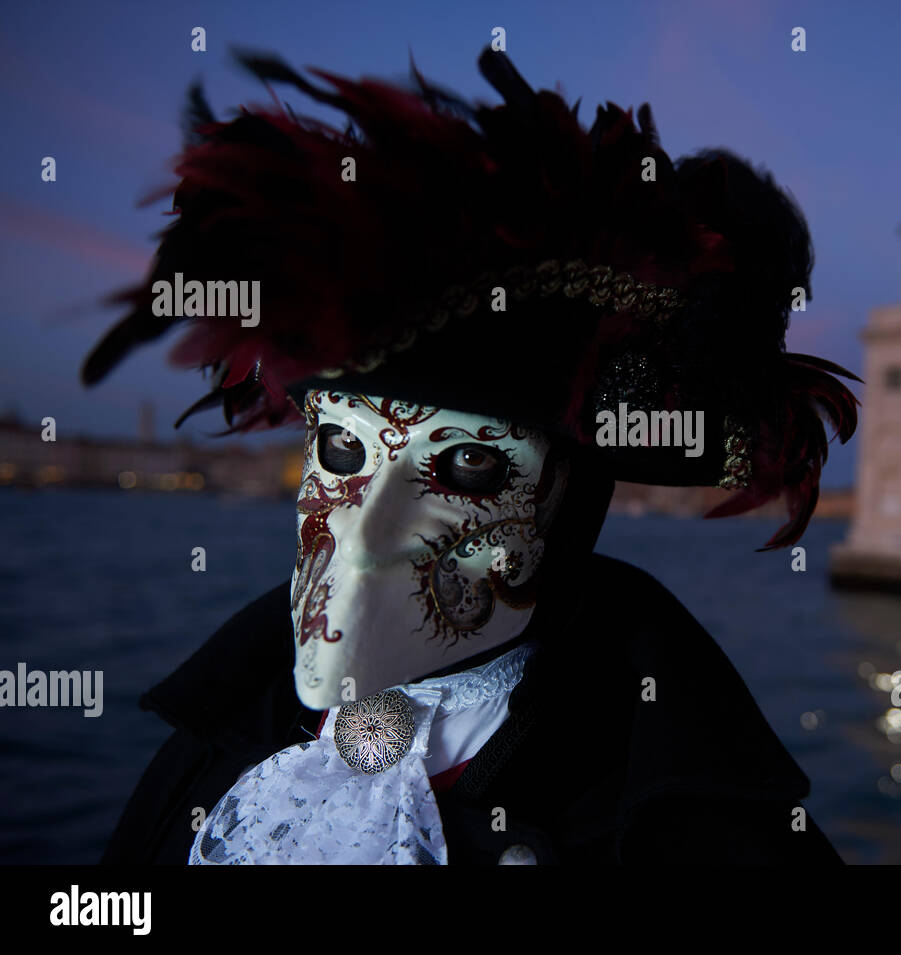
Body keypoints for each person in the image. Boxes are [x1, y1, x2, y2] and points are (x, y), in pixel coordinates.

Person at [85, 48, 858, 865]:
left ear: (566, 503)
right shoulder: (224, 739)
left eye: (468, 467)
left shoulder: (702, 839)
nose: (366, 535)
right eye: (342, 448)